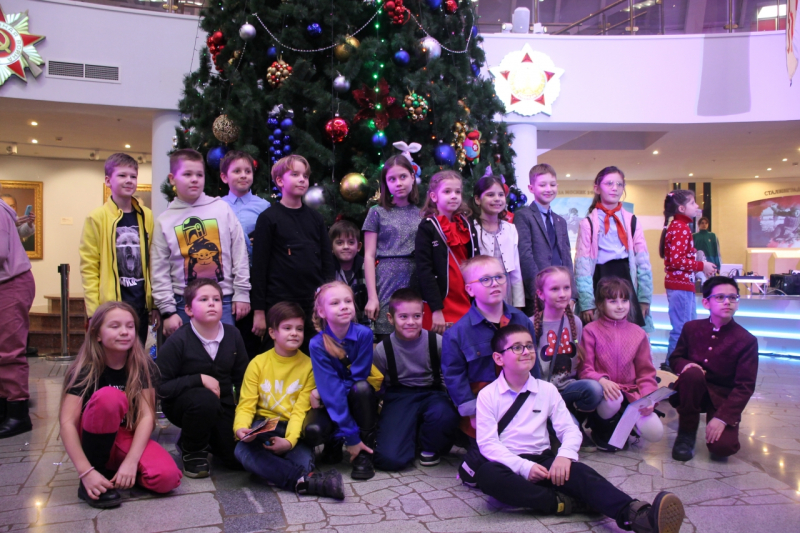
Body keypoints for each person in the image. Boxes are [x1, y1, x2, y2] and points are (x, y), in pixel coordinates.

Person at [474, 324, 685, 533]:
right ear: (499, 358)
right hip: (508, 463)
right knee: (488, 475)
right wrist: (523, 467)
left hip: (543, 461)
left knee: (581, 473)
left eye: (529, 346)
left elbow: (569, 429)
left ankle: (638, 516)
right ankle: (562, 502)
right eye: (517, 347)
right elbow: (488, 443)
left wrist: (564, 455)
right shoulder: (488, 395)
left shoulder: (546, 390)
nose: (526, 351)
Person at [59, 302, 182, 508]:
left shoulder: (144, 367)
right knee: (110, 396)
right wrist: (85, 472)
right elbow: (67, 424)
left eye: (130, 326)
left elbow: (147, 417)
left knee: (167, 478)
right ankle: (95, 477)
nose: (124, 332)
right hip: (92, 436)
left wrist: (131, 462)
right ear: (97, 334)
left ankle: (116, 475)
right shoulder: (84, 370)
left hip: (126, 436)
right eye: (115, 326)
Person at [233, 301, 345, 499]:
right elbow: (246, 404)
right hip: (265, 424)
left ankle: (281, 473)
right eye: (287, 328)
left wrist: (289, 442)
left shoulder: (309, 366)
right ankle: (305, 480)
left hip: (293, 426)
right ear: (272, 332)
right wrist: (241, 428)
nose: (294, 333)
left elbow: (300, 410)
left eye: (299, 329)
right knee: (242, 449)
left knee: (301, 462)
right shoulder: (257, 363)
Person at [151, 149, 251, 337]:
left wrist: (242, 293)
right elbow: (159, 270)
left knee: (224, 351)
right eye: (187, 174)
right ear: (172, 179)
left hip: (223, 300)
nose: (194, 179)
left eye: (199, 174)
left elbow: (239, 252)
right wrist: (168, 311)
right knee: (186, 353)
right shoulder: (164, 221)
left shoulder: (222, 209)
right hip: (182, 304)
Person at [156, 278, 249, 477]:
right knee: (205, 400)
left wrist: (245, 416)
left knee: (237, 459)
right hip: (185, 405)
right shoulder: (178, 340)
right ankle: (193, 451)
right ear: (189, 310)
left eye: (216, 299)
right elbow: (160, 387)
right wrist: (198, 379)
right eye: (204, 299)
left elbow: (242, 379)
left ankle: (208, 437)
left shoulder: (233, 335)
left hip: (223, 406)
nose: (211, 304)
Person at [442, 255, 540, 440]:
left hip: (522, 405)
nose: (495, 283)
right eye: (485, 279)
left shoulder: (522, 321)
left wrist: (538, 400)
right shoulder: (457, 334)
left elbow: (533, 366)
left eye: (499, 277)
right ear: (469, 289)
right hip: (482, 412)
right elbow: (454, 376)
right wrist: (472, 413)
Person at [669, 276, 758, 462]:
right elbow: (675, 358)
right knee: (692, 374)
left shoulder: (746, 340)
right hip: (691, 390)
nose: (727, 302)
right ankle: (686, 433)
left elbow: (745, 386)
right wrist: (686, 365)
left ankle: (717, 422)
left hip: (722, 398)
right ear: (706, 303)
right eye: (720, 297)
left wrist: (723, 418)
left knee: (722, 449)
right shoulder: (691, 328)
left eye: (732, 297)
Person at [251, 155, 334, 353]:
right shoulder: (268, 218)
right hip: (280, 302)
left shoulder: (316, 218)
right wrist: (259, 311)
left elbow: (327, 261)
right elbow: (259, 267)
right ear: (280, 181)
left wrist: (328, 297)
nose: (302, 179)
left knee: (314, 352)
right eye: (295, 174)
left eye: (305, 176)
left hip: (312, 303)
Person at [373, 289, 459, 470]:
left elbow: (448, 374)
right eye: (403, 317)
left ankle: (429, 445)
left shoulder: (436, 342)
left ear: (423, 316)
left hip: (432, 393)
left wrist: (445, 396)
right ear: (390, 318)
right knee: (389, 460)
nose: (411, 322)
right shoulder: (383, 349)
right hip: (399, 396)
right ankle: (405, 437)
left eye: (416, 316)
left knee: (445, 414)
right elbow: (378, 384)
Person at [307, 281, 381, 480]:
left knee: (362, 388)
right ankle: (335, 441)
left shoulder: (364, 334)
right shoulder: (317, 344)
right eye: (335, 303)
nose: (344, 306)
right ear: (322, 312)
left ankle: (364, 452)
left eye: (348, 301)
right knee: (313, 431)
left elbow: (358, 376)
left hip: (355, 394)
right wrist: (350, 438)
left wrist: (322, 391)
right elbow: (331, 391)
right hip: (331, 399)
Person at [80, 153, 156, 344]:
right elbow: (89, 267)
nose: (129, 180)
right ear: (108, 181)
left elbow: (154, 261)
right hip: (111, 307)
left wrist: (154, 304)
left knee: (137, 355)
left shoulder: (146, 215)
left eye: (133, 176)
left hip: (140, 304)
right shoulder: (96, 217)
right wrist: (93, 311)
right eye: (122, 175)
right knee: (112, 356)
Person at [578, 277, 662, 452]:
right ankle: (601, 428)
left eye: (624, 300)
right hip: (606, 394)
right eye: (613, 301)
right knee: (613, 399)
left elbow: (646, 373)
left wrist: (648, 398)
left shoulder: (638, 333)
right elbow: (585, 369)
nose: (620, 306)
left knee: (656, 432)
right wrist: (601, 380)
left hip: (631, 393)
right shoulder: (590, 330)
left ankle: (624, 425)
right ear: (600, 304)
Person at [531, 266, 602, 450]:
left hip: (566, 387)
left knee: (594, 389)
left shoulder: (575, 322)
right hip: (543, 392)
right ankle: (555, 425)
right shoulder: (530, 324)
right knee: (572, 436)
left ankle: (570, 418)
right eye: (555, 289)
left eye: (566, 288)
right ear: (541, 294)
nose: (562, 294)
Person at [575, 166, 653, 330]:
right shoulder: (588, 223)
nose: (614, 188)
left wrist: (644, 298)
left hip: (626, 275)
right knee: (601, 331)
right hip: (600, 276)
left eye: (619, 184)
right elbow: (582, 266)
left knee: (630, 331)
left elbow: (643, 261)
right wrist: (587, 302)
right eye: (609, 183)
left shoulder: (631, 221)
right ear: (597, 188)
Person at [363, 155, 421, 342]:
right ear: (385, 184)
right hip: (386, 279)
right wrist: (372, 297)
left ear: (412, 177)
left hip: (415, 277)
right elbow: (369, 255)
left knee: (413, 332)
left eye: (403, 177)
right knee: (386, 336)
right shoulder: (376, 212)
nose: (398, 183)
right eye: (392, 179)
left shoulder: (423, 213)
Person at [220, 150, 270, 358]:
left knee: (248, 339)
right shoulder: (217, 206)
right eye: (237, 171)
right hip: (224, 277)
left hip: (252, 277)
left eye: (247, 171)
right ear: (224, 177)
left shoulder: (264, 207)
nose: (243, 175)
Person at [416, 170, 479, 334]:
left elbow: (475, 262)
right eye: (447, 191)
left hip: (465, 296)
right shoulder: (427, 226)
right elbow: (424, 270)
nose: (454, 196)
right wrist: (436, 309)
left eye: (457, 192)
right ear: (434, 196)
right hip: (441, 300)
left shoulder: (466, 224)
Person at [659, 190, 716, 362]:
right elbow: (676, 261)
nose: (697, 205)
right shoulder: (680, 228)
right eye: (692, 203)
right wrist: (702, 266)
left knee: (687, 328)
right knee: (682, 330)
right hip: (680, 285)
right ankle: (672, 365)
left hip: (682, 285)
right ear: (682, 208)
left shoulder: (679, 227)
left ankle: (678, 364)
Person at [515, 164, 574, 316]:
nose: (548, 189)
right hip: (538, 295)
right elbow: (525, 256)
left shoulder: (561, 221)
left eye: (552, 185)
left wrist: (572, 294)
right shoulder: (524, 216)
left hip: (561, 294)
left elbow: (566, 258)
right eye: (542, 185)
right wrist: (539, 292)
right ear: (531, 188)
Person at [0, 188, 35, 439]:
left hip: (10, 283)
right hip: (7, 282)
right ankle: (5, 408)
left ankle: (18, 413)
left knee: (9, 350)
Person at [472, 175, 524, 309]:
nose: (497, 199)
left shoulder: (510, 229)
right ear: (477, 199)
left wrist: (518, 304)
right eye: (490, 195)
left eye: (501, 195)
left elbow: (516, 270)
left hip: (506, 292)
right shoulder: (471, 229)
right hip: (481, 294)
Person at [329, 220, 369, 328]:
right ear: (331, 247)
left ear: (359, 246)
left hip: (361, 323)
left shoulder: (366, 267)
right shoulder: (328, 269)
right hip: (333, 325)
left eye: (351, 242)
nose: (346, 246)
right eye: (339, 243)